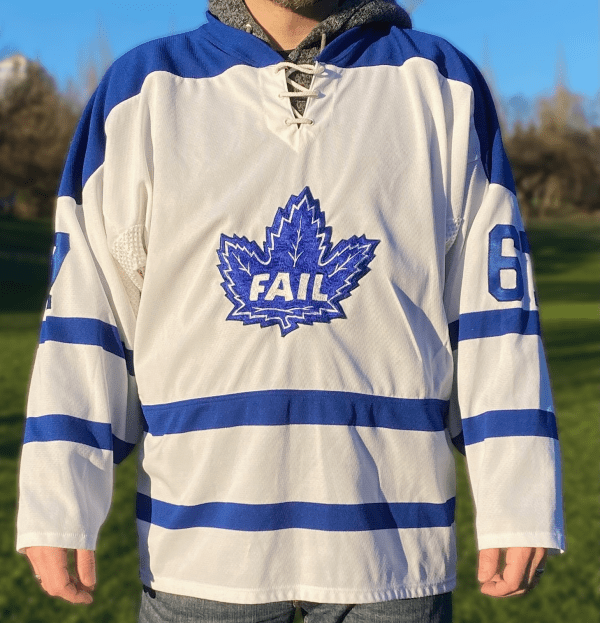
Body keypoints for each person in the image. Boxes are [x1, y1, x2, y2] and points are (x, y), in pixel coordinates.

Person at [17, 0, 565, 621]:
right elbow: (87, 306)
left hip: (392, 551)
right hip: (199, 550)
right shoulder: (141, 89)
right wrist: (60, 493)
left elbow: (497, 310)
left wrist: (519, 492)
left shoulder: (443, 84)